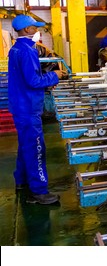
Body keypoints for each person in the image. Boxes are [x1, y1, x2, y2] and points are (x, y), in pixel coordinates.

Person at [8, 14, 67, 204]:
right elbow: (33, 81)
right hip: (28, 107)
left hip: (20, 104)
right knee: (36, 148)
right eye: (34, 28)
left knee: (26, 145)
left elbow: (28, 77)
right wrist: (55, 76)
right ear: (27, 30)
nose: (37, 31)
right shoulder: (27, 51)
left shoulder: (16, 49)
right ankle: (39, 191)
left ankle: (22, 181)